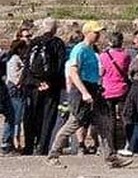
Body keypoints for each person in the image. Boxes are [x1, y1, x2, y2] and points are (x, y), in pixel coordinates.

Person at [45, 20, 130, 169]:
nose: (98, 35)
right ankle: (53, 154)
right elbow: (73, 72)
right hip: (82, 90)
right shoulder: (80, 50)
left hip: (94, 89)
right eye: (95, 32)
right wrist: (84, 92)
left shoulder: (92, 50)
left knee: (104, 124)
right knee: (74, 123)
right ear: (88, 33)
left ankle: (110, 157)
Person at [26, 18, 68, 156]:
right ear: (55, 29)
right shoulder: (58, 43)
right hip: (52, 86)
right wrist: (50, 83)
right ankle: (42, 147)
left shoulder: (34, 42)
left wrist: (36, 83)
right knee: (48, 117)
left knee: (32, 115)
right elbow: (61, 65)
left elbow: (27, 65)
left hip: (33, 86)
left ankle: (29, 147)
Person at [99, 32, 131, 153]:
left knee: (110, 119)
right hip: (122, 88)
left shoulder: (103, 56)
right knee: (124, 117)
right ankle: (127, 143)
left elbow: (101, 72)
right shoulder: (126, 56)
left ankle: (111, 146)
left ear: (110, 42)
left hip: (107, 89)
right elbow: (127, 70)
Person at [3, 37, 28, 154]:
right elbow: (15, 79)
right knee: (13, 117)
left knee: (15, 118)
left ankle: (10, 142)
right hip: (14, 90)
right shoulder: (14, 60)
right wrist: (24, 72)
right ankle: (6, 143)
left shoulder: (14, 59)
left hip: (15, 90)